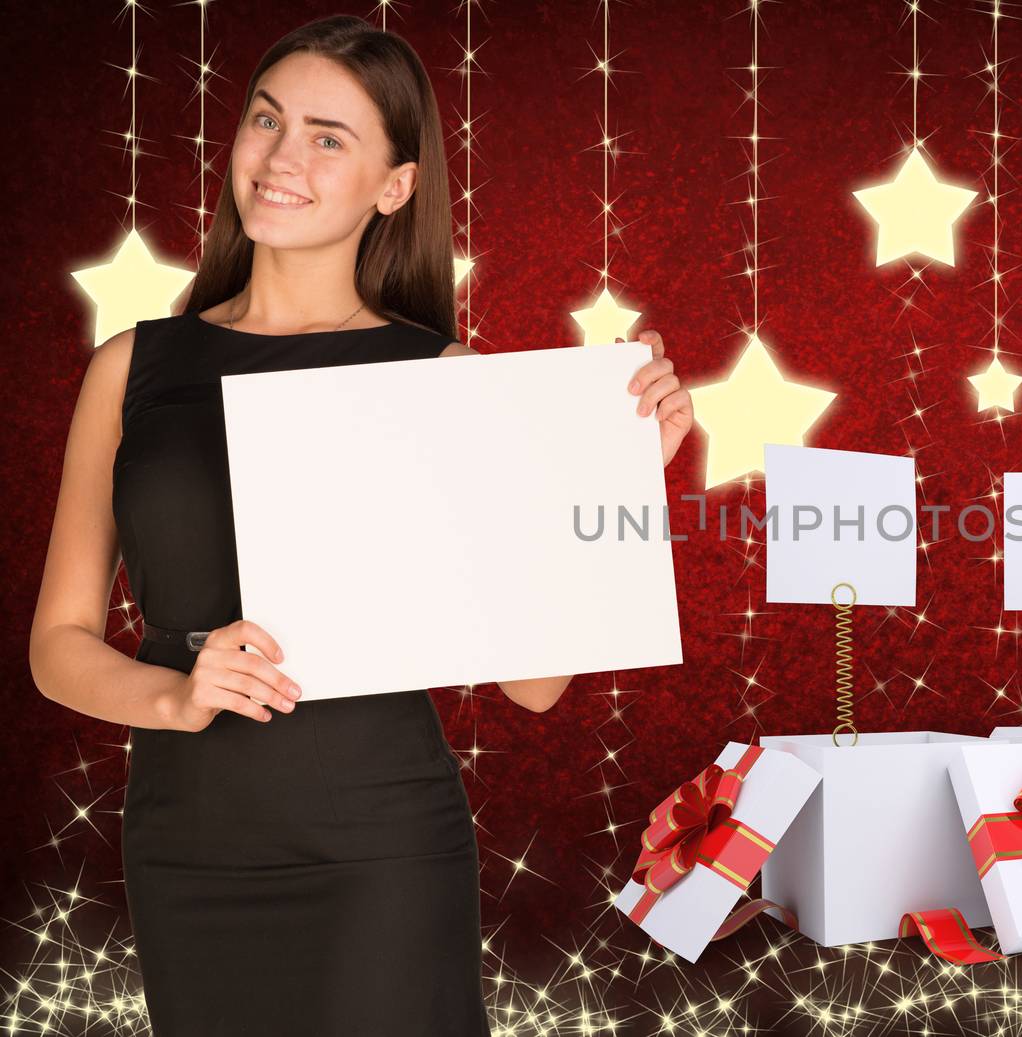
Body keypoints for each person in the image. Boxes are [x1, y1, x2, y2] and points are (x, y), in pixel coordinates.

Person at [28, 14, 693, 1036]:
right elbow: (57, 645)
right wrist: (176, 694)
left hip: (380, 848)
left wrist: (614, 477)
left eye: (329, 136)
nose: (282, 157)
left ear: (396, 186)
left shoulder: (446, 379)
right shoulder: (131, 366)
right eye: (266, 120)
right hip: (185, 842)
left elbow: (533, 684)